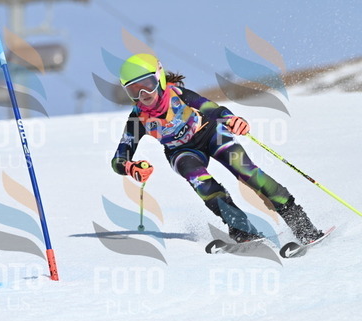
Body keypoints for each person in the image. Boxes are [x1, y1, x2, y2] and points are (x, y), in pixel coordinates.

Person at [111, 53, 323, 244]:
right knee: (204, 185)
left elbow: (210, 108)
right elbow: (118, 159)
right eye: (134, 90)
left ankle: (303, 226)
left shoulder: (177, 94)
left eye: (147, 84)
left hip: (211, 134)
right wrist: (130, 167)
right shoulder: (137, 119)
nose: (143, 94)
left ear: (160, 78)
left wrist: (231, 119)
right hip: (182, 152)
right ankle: (242, 230)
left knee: (247, 172)